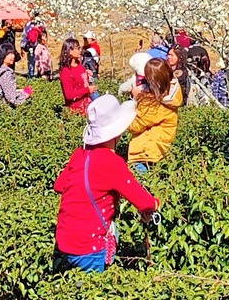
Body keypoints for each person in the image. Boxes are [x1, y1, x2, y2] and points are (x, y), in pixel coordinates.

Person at [53, 93, 159, 271]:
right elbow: (143, 201)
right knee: (92, 293)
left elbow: (59, 186)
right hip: (88, 246)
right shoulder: (112, 162)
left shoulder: (80, 153)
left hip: (64, 239)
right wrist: (155, 203)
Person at [128, 56, 181, 172]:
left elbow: (135, 126)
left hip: (146, 151)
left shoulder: (152, 104)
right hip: (159, 149)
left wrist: (137, 100)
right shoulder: (170, 96)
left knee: (141, 186)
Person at [59, 38, 92, 116]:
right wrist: (87, 90)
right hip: (76, 111)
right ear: (70, 51)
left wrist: (88, 75)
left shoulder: (80, 66)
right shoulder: (66, 72)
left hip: (87, 106)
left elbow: (83, 84)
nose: (80, 50)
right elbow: (69, 95)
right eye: (77, 48)